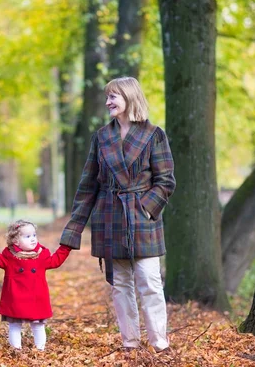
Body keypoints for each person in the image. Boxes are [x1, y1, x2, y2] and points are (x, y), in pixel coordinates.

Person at [60, 77, 175, 352]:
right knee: (121, 284)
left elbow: (166, 181)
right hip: (109, 216)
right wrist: (74, 228)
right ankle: (130, 343)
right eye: (107, 97)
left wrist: (145, 208)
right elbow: (88, 185)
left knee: (149, 281)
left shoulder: (154, 134)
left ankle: (160, 343)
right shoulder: (101, 137)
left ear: (129, 98)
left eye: (113, 96)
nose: (108, 102)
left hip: (141, 217)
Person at [0, 219, 71, 351]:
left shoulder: (41, 255)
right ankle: (16, 350)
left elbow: (55, 261)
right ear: (15, 241)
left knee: (38, 325)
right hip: (15, 298)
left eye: (34, 235)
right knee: (15, 325)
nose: (33, 239)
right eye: (27, 236)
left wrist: (66, 247)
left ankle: (40, 350)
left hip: (37, 298)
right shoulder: (9, 256)